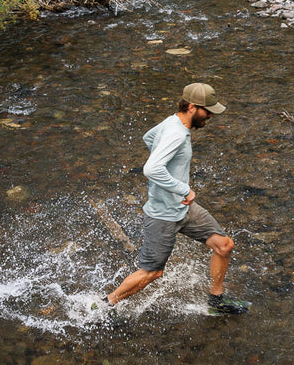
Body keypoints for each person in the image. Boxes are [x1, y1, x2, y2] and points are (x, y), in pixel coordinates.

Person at [106, 82, 250, 316]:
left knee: (224, 246)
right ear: (192, 107)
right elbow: (151, 169)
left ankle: (216, 301)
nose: (211, 116)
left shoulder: (172, 122)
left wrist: (164, 160)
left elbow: (148, 137)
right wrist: (183, 189)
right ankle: (105, 305)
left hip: (183, 209)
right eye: (207, 111)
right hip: (163, 215)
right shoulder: (176, 133)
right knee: (152, 272)